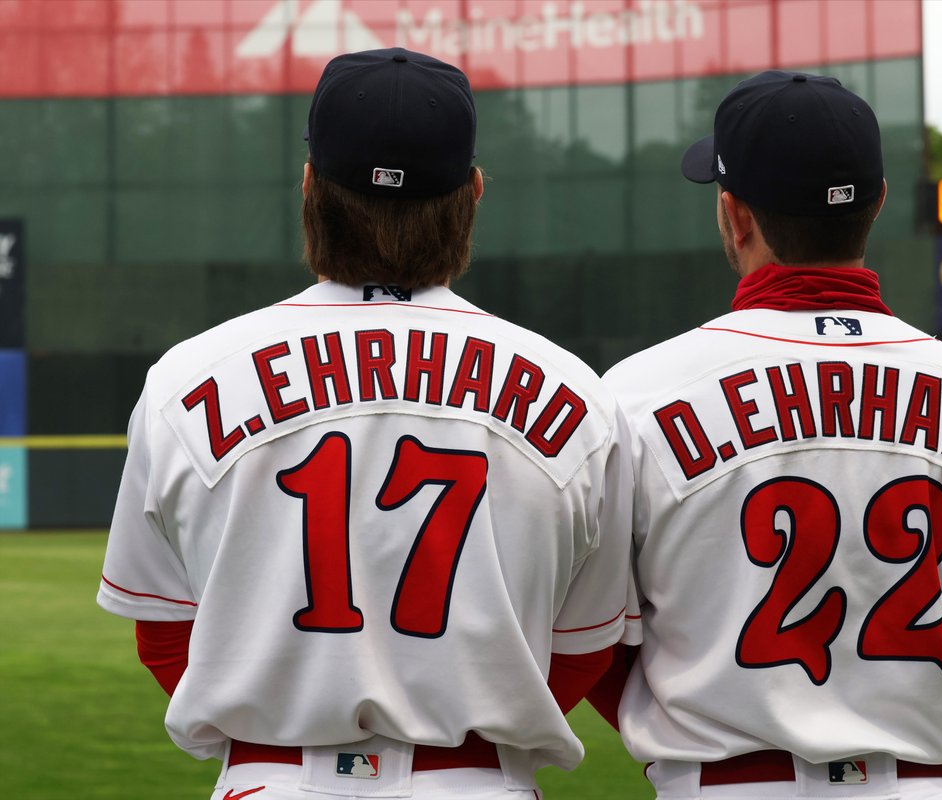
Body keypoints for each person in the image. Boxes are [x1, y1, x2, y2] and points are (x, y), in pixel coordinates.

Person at [97, 48, 633, 800]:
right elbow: (583, 653)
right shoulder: (578, 396)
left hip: (268, 780)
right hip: (478, 783)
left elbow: (164, 638)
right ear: (473, 193)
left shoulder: (184, 379)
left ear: (310, 185)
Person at [592, 71, 942, 800]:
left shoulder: (634, 396)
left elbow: (595, 643)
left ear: (735, 215)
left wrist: (689, 729)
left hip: (722, 785)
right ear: (878, 205)